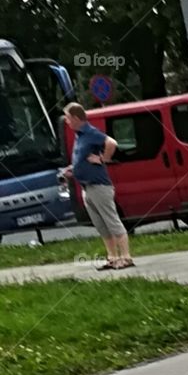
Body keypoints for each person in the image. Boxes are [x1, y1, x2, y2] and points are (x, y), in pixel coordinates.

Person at [62, 102, 133, 270]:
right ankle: (112, 258)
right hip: (87, 187)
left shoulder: (90, 132)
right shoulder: (80, 136)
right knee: (101, 225)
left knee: (112, 221)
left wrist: (103, 159)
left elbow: (112, 143)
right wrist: (74, 170)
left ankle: (126, 257)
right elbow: (83, 158)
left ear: (77, 118)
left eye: (68, 118)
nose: (67, 121)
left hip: (99, 186)